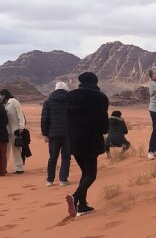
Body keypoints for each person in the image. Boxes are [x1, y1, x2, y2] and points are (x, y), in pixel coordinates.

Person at [65, 72, 109, 218]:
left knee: (85, 172)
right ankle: (75, 197)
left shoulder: (70, 96)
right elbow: (103, 122)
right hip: (90, 140)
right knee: (91, 174)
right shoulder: (100, 97)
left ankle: (82, 205)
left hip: (74, 139)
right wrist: (104, 130)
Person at [41, 81, 72, 187]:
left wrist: (45, 134)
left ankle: (49, 180)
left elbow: (44, 119)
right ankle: (63, 180)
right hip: (68, 135)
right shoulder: (70, 101)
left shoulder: (48, 102)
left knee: (52, 157)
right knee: (66, 157)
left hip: (53, 135)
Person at [0, 89, 26, 174]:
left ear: (4, 95)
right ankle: (3, 167)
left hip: (15, 129)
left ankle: (19, 168)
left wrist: (21, 126)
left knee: (16, 148)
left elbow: (20, 114)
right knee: (5, 149)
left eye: (0, 95)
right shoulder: (3, 104)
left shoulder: (14, 101)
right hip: (6, 130)